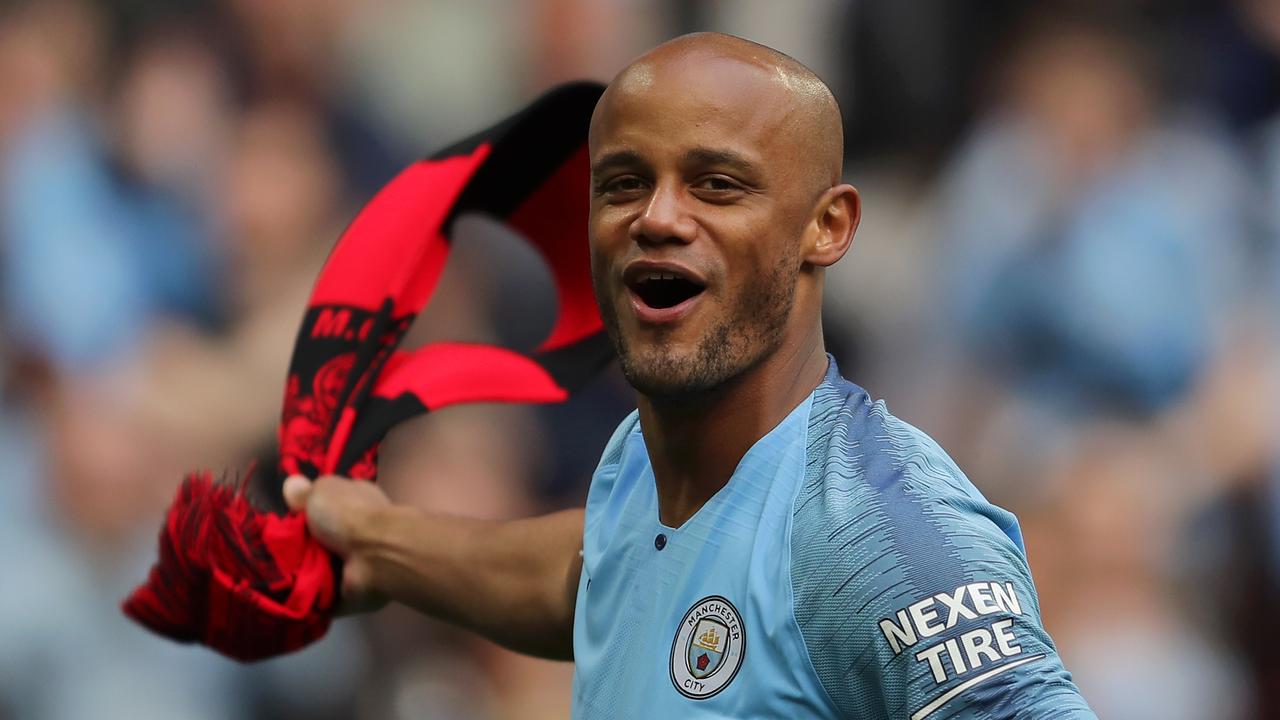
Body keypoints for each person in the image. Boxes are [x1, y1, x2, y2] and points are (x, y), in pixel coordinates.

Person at [282, 32, 1097, 719]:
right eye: (625, 184)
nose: (659, 217)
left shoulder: (872, 537)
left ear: (827, 226)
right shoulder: (640, 462)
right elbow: (595, 575)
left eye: (717, 184)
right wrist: (377, 545)